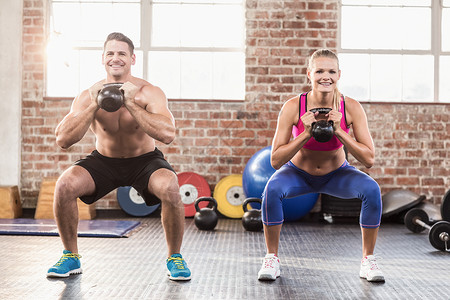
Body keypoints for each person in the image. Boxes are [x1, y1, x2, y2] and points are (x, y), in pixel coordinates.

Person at [46, 32, 191, 281]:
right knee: (65, 185)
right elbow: (63, 139)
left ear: (132, 58)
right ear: (103, 59)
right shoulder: (87, 95)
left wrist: (132, 104)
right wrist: (94, 104)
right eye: (111, 53)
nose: (116, 58)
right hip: (104, 161)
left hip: (144, 160)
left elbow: (168, 134)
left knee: (170, 186)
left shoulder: (149, 92)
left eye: (122, 53)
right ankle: (71, 256)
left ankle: (174, 257)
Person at [257, 49, 384, 282]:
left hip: (337, 174)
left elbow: (369, 159)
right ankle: (271, 258)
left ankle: (368, 260)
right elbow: (275, 160)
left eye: (331, 71)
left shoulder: (351, 108)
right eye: (319, 71)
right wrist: (305, 134)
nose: (326, 76)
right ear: (309, 74)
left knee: (372, 189)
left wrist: (339, 132)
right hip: (298, 174)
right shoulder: (293, 106)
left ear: (339, 75)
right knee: (271, 190)